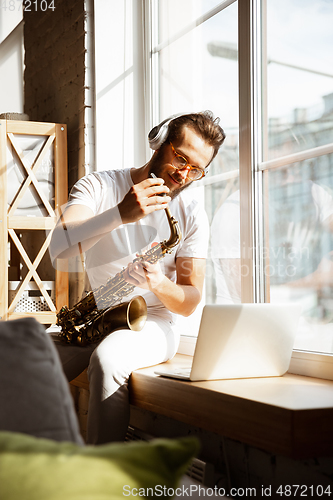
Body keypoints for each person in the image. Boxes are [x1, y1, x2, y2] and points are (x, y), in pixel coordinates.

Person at [49, 111, 225, 444]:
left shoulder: (192, 213)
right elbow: (59, 246)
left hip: (154, 321)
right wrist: (120, 214)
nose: (183, 174)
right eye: (180, 158)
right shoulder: (99, 185)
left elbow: (189, 301)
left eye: (196, 169)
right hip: (95, 315)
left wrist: (159, 283)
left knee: (108, 360)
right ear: (161, 143)